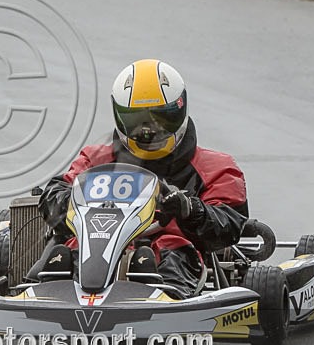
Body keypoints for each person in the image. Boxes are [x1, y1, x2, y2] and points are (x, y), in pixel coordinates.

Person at [38, 59, 248, 299]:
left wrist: (191, 210)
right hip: (97, 242)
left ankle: (167, 300)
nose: (148, 132)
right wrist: (70, 201)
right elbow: (54, 194)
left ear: (180, 110)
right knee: (71, 249)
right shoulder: (96, 160)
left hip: (172, 250)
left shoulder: (216, 168)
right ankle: (51, 295)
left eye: (161, 118)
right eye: (136, 120)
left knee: (165, 249)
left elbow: (231, 225)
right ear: (119, 117)